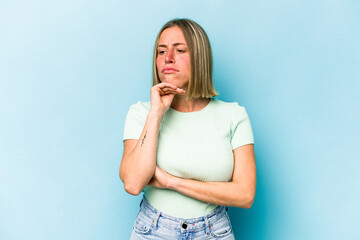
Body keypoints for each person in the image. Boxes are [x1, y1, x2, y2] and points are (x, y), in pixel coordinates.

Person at [120, 18, 256, 239]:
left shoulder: (234, 115)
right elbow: (133, 183)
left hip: (214, 232)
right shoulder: (140, 113)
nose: (168, 58)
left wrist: (170, 181)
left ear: (200, 58)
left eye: (180, 50)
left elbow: (245, 194)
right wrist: (156, 113)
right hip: (153, 231)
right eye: (161, 51)